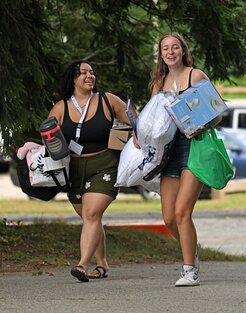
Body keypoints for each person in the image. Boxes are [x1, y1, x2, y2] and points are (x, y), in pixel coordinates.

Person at [49, 60, 132, 282]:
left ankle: (82, 265)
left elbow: (136, 120)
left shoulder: (108, 100)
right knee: (90, 219)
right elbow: (48, 139)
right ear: (72, 79)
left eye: (92, 72)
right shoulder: (61, 108)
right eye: (83, 72)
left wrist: (127, 140)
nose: (89, 75)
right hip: (74, 169)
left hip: (104, 164)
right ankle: (102, 263)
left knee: (92, 214)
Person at [149, 32, 221, 286]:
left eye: (175, 47)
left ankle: (189, 269)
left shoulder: (196, 76)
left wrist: (201, 124)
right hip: (169, 150)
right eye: (165, 48)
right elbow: (151, 121)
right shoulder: (160, 83)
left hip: (194, 145)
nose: (170, 52)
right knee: (168, 217)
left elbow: (217, 114)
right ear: (161, 54)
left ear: (182, 50)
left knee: (182, 212)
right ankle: (192, 249)